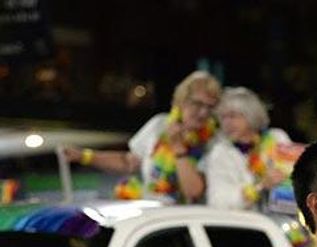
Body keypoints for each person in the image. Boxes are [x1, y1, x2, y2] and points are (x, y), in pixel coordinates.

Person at [65, 70, 220, 203]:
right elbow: (128, 163)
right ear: (181, 101)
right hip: (150, 217)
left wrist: (178, 149)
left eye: (210, 106)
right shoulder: (159, 125)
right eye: (197, 104)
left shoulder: (214, 142)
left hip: (183, 224)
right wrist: (84, 156)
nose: (203, 113)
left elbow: (193, 192)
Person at [203, 86, 292, 210]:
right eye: (223, 117)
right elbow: (218, 202)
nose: (227, 123)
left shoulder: (277, 138)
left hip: (283, 219)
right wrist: (259, 187)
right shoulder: (220, 153)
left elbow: (294, 177)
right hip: (246, 225)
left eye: (233, 116)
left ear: (251, 115)